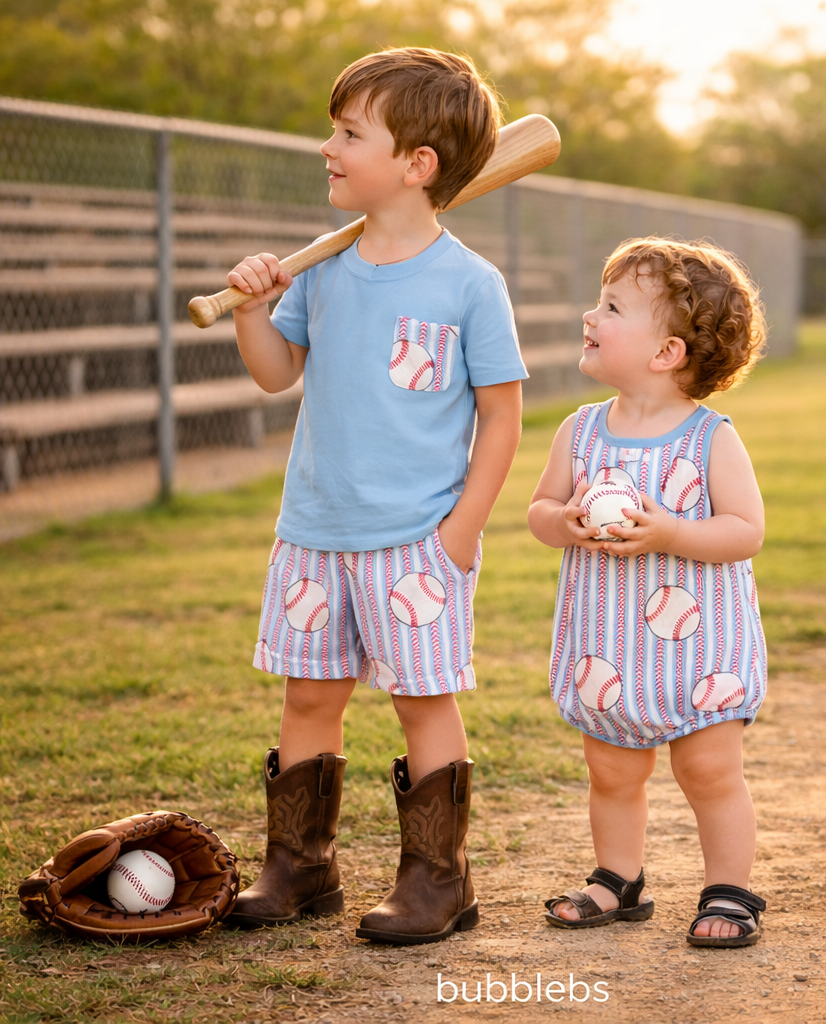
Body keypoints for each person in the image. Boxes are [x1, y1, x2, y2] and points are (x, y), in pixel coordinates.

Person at [223, 48, 526, 944]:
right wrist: (251, 309)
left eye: (349, 133)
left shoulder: (470, 284)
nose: (328, 146)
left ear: (416, 165)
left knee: (421, 701)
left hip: (415, 541)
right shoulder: (322, 268)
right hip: (315, 530)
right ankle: (301, 867)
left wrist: (462, 532)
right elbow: (276, 376)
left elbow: (501, 420)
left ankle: (439, 881)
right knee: (309, 696)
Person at [527, 237, 769, 947]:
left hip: (701, 648)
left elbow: (745, 531)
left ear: (665, 352)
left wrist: (670, 533)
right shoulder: (581, 432)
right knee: (610, 767)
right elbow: (540, 511)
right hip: (610, 643)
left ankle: (729, 891)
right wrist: (564, 522)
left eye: (611, 307)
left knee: (709, 770)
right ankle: (617, 878)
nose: (589, 315)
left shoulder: (709, 439)